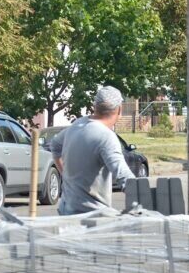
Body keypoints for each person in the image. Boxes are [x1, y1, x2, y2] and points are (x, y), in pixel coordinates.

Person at [48, 85, 136, 215]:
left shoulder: (77, 125)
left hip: (66, 212)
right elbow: (124, 177)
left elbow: (54, 146)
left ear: (95, 107)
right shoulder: (106, 136)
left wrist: (65, 175)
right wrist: (145, 195)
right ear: (119, 110)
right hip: (92, 218)